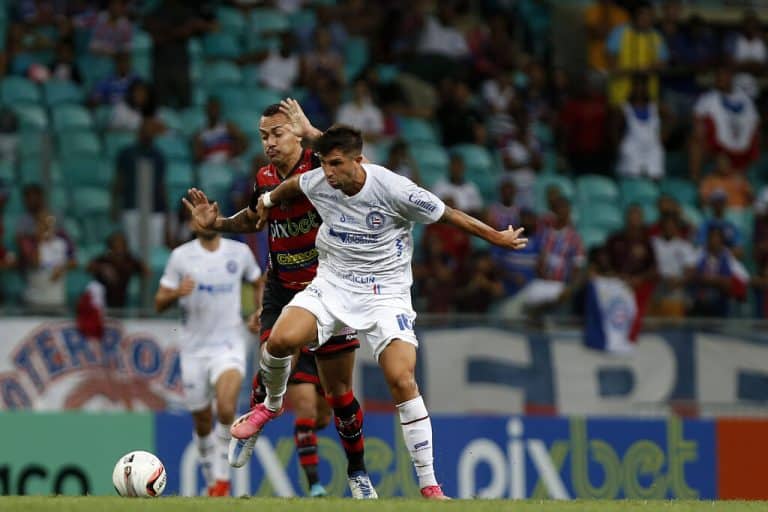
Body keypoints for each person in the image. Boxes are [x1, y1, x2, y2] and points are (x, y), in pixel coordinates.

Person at [185, 124, 528, 500]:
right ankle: (270, 405)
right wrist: (255, 208)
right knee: (280, 340)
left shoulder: (393, 188)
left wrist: (496, 236)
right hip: (333, 284)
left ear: (358, 161)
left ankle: (429, 484)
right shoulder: (317, 181)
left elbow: (447, 215)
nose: (327, 173)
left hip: (386, 295)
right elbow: (285, 190)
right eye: (322, 164)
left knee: (401, 379)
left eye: (335, 164)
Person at [187, 101, 375, 498]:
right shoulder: (264, 177)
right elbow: (256, 219)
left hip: (330, 289)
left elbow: (364, 172)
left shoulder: (323, 165)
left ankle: (358, 473)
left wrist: (315, 134)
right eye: (263, 136)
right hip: (283, 286)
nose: (269, 143)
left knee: (340, 398)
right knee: (274, 350)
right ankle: (261, 414)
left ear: (296, 132)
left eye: (277, 133)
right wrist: (216, 225)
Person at [155, 222, 263, 497]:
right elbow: (159, 301)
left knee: (226, 408)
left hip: (229, 344)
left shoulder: (238, 253)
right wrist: (176, 292)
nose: (206, 220)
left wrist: (259, 310)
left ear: (218, 219)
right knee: (202, 422)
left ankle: (222, 480)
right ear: (192, 224)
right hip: (194, 350)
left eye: (211, 214)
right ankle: (210, 478)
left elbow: (257, 280)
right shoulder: (181, 256)